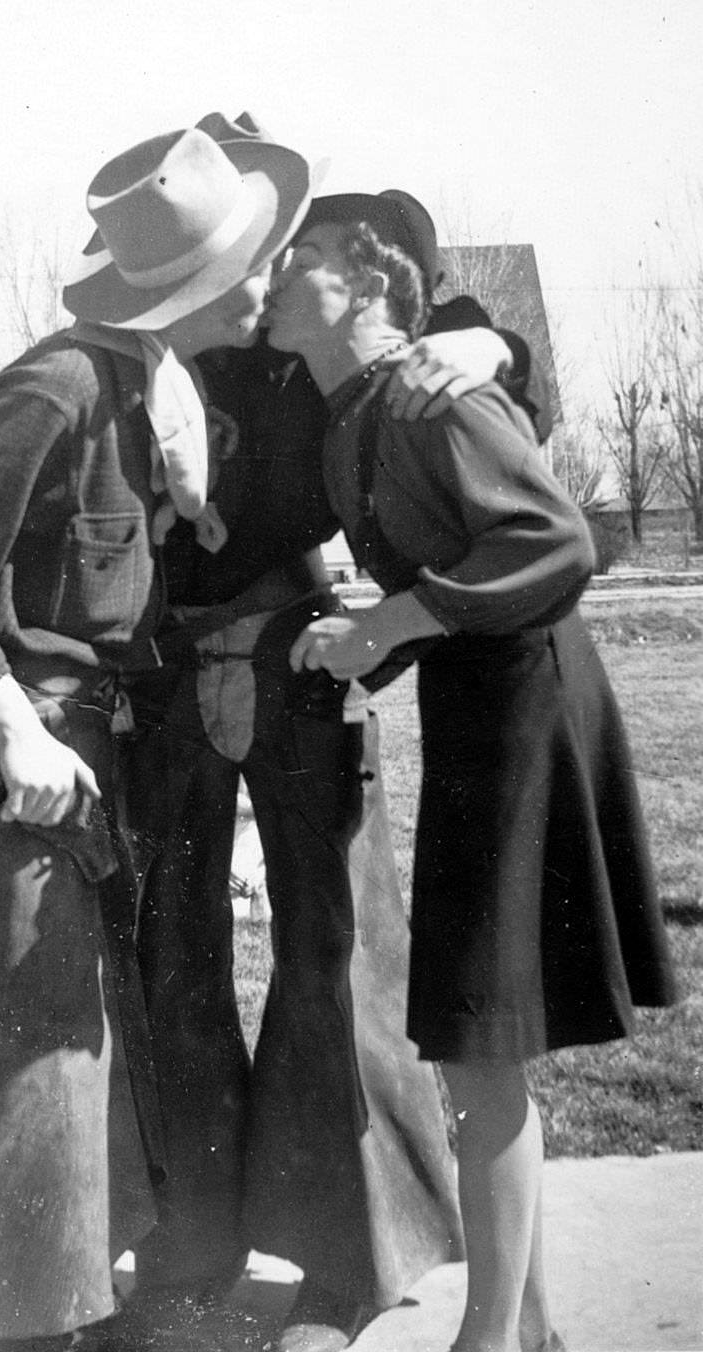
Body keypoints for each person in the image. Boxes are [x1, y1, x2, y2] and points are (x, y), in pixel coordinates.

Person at [0, 121, 318, 1352]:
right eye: (252, 262)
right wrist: (11, 728)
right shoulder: (61, 386)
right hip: (19, 765)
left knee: (89, 1047)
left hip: (99, 756)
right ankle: (19, 1326)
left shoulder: (155, 392)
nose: (266, 281)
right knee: (27, 1057)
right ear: (199, 286)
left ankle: (78, 1300)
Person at [111, 115, 556, 1352]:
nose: (247, 276)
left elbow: (462, 321)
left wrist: (487, 336)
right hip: (163, 666)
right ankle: (187, 1248)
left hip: (305, 663)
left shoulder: (315, 273)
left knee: (333, 954)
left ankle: (346, 1266)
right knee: (171, 955)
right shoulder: (142, 325)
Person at [268, 190, 678, 1352]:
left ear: (363, 280)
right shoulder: (359, 407)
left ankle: (490, 1341)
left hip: (523, 716)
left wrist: (395, 612)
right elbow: (455, 564)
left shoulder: (427, 395)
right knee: (477, 1039)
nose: (273, 282)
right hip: (480, 709)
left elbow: (557, 540)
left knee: (477, 1040)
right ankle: (526, 1327)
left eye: (296, 263)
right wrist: (381, 615)